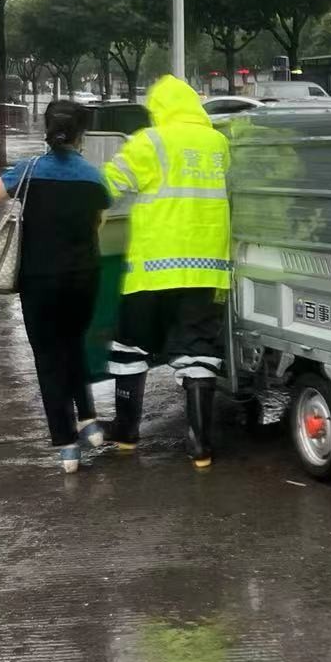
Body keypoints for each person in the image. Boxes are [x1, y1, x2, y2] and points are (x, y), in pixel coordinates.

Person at [100, 75, 232, 468]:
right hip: (208, 271)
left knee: (130, 347)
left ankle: (125, 433)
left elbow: (107, 186)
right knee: (199, 352)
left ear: (159, 109)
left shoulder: (148, 141)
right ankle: (200, 446)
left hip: (153, 271)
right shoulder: (219, 144)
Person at [0, 99, 111, 473]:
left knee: (48, 358)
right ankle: (88, 420)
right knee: (72, 344)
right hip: (84, 277)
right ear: (81, 135)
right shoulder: (92, 176)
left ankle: (67, 445)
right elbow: (101, 213)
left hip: (39, 280)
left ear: (47, 130)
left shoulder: (30, 170)